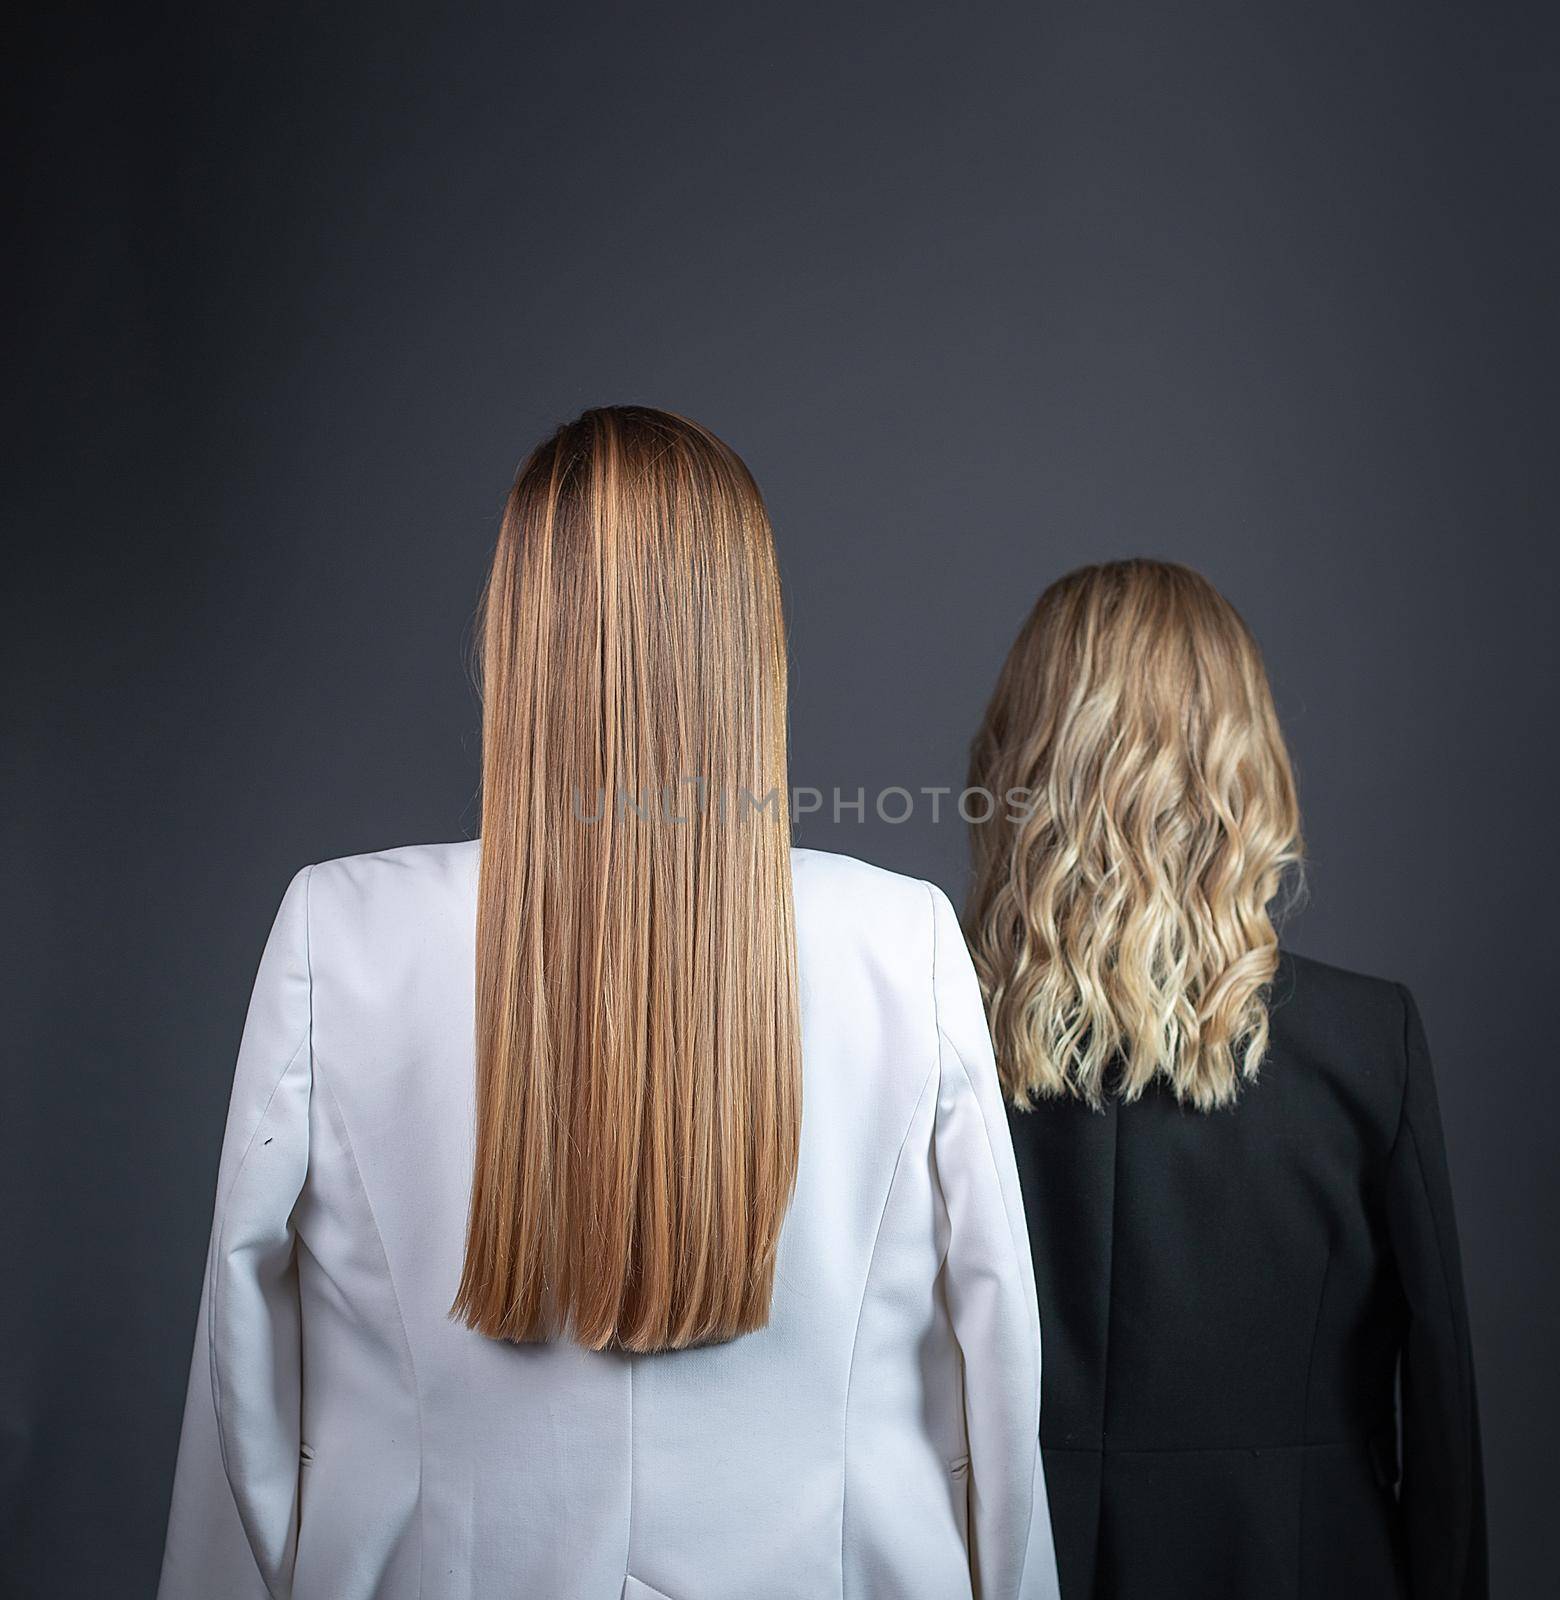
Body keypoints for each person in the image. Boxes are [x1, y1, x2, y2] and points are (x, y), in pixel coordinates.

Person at [157, 407, 1055, 1600]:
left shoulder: (342, 933)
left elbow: (240, 1374)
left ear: (514, 630)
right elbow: (995, 1368)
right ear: (755, 646)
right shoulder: (902, 942)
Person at [965, 558, 1486, 1599]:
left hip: (1002, 1563)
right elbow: (1438, 1414)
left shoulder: (941, 1038)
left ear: (1019, 757)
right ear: (1247, 763)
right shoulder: (1363, 1041)